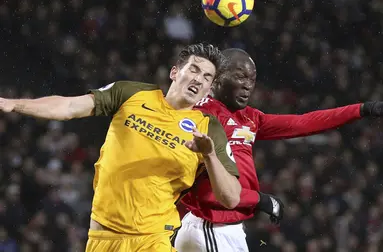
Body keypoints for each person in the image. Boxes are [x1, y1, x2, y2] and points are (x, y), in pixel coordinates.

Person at [0, 43, 242, 252]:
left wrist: (209, 154)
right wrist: (14, 104)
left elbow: (230, 198)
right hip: (103, 237)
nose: (198, 79)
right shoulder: (132, 94)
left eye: (207, 77)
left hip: (152, 240)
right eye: (194, 69)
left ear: (209, 89)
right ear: (174, 72)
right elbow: (70, 107)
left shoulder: (208, 129)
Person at [173, 48, 383, 252]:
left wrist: (361, 109)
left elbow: (303, 123)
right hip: (210, 224)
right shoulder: (201, 115)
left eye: (251, 80)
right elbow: (204, 188)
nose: (247, 86)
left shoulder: (249, 118)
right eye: (240, 77)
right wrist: (258, 199)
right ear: (217, 78)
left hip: (224, 227)